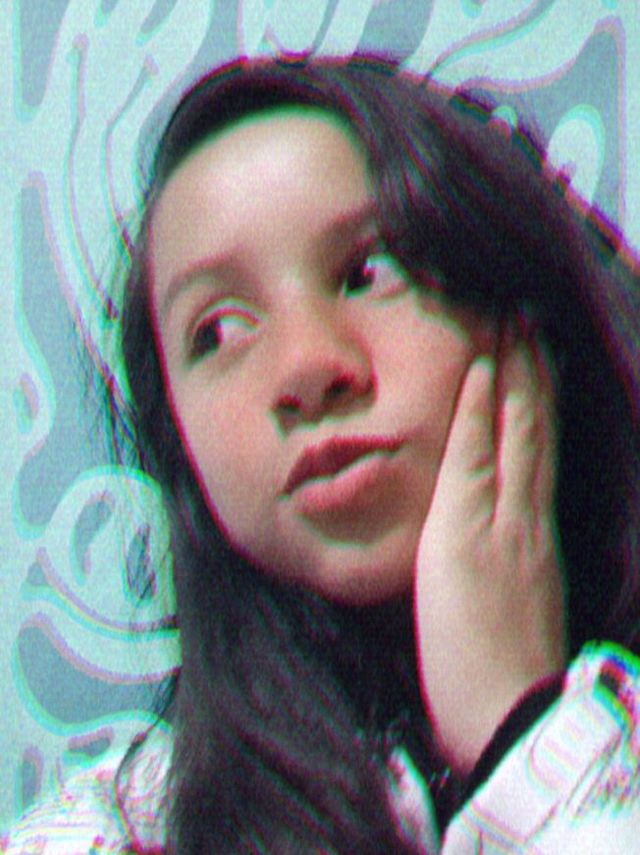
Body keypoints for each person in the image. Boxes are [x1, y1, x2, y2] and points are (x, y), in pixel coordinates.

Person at [3, 54, 640, 854]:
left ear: (525, 319)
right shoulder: (110, 830)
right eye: (216, 331)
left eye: (366, 273)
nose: (306, 371)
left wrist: (523, 734)